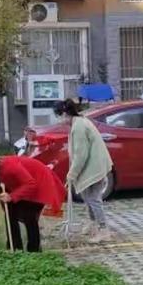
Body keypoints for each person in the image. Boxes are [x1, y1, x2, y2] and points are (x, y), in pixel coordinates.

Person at [0, 155, 66, 252]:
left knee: (29, 215)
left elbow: (31, 184)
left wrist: (11, 196)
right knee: (9, 212)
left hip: (38, 181)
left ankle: (34, 252)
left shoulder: (7, 167)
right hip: (18, 187)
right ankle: (15, 250)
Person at [54, 99, 113, 244]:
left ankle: (103, 229)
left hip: (94, 167)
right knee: (88, 197)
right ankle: (92, 223)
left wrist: (72, 174)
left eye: (59, 115)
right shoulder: (79, 122)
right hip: (93, 165)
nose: (59, 120)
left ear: (65, 113)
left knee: (93, 199)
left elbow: (81, 154)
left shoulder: (79, 127)